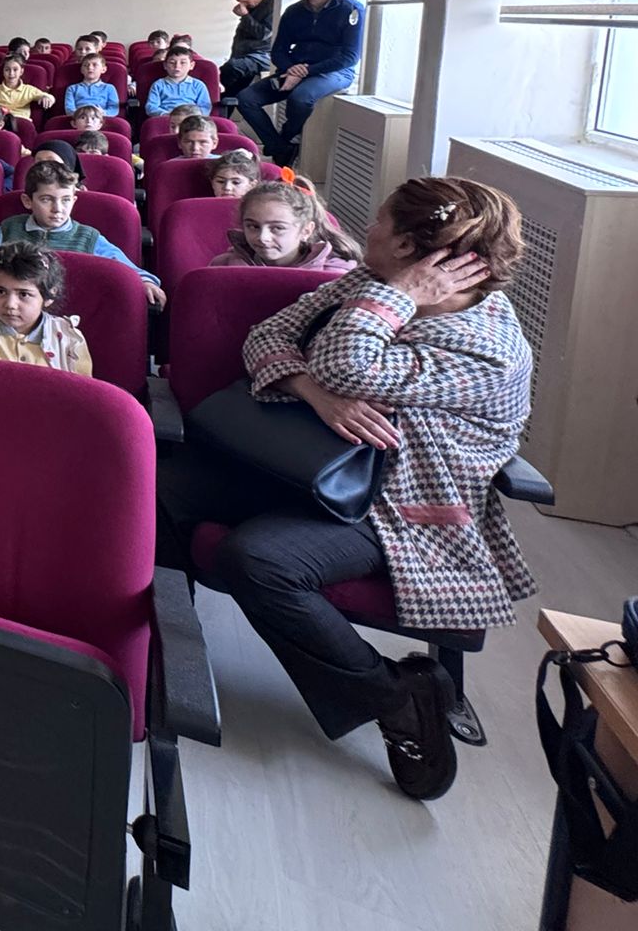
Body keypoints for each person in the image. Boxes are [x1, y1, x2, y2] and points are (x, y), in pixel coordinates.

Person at [156, 177, 535, 800]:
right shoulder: (368, 282)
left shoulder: (484, 345)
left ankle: (394, 698)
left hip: (397, 506)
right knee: (157, 487)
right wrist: (315, 394)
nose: (367, 229)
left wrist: (390, 303)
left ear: (411, 248)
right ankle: (166, 651)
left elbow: (345, 362)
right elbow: (266, 337)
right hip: (307, 463)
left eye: (381, 222)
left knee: (258, 560)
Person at [236, 0, 366, 165]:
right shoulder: (293, 12)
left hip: (333, 71)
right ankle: (280, 147)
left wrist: (305, 71)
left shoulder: (351, 9)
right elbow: (278, 51)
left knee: (301, 97)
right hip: (294, 69)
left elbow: (350, 57)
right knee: (246, 98)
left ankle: (285, 139)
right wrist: (291, 69)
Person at [0, 158, 165, 307]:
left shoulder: (88, 237)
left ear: (74, 200)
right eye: (46, 199)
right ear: (27, 201)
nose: (57, 209)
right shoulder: (8, 229)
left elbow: (125, 268)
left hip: (72, 312)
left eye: (65, 200)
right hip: (13, 309)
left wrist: (146, 282)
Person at [0, 243, 93, 375]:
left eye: (24, 294)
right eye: (0, 291)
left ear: (49, 296)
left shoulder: (70, 340)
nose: (10, 304)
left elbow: (80, 388)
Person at [211, 178, 361, 271]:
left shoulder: (333, 276)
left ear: (306, 231)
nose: (263, 238)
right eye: (253, 226)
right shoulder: (223, 266)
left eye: (277, 228)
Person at [222, 0, 278, 96]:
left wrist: (245, 15)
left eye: (246, 2)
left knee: (230, 69)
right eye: (240, 2)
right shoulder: (255, 4)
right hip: (244, 53)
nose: (243, 5)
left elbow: (263, 34)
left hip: (262, 54)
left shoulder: (274, 3)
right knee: (230, 88)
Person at [0, 55, 53, 120]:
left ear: (21, 71)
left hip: (21, 121)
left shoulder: (29, 90)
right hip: (1, 120)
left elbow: (46, 96)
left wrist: (46, 98)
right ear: (3, 72)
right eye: (7, 70)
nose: (11, 73)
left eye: (15, 70)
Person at [145, 46, 212, 116]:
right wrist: (166, 114)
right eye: (172, 62)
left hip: (191, 118)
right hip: (166, 117)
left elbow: (205, 107)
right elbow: (151, 107)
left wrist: (193, 116)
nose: (177, 66)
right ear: (165, 65)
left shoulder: (198, 85)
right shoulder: (158, 85)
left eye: (183, 62)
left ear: (191, 65)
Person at [64, 52, 121, 118]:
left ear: (103, 69)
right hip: (79, 118)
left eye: (95, 65)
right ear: (81, 70)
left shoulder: (109, 88)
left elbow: (114, 110)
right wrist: (83, 115)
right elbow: (69, 109)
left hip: (102, 117)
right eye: (86, 65)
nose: (90, 68)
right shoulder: (72, 88)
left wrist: (102, 113)